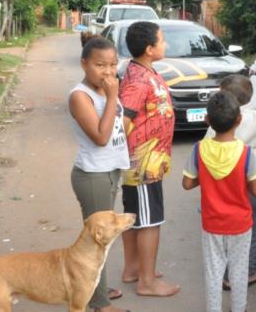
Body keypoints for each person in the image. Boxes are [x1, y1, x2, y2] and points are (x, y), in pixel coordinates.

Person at [206, 60, 256, 290]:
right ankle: (248, 272)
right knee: (251, 230)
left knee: (224, 230)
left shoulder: (216, 123)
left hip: (222, 183)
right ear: (249, 97)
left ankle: (223, 274)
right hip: (253, 181)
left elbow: (205, 152)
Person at [183, 91, 256, 312]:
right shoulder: (247, 153)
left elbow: (187, 184)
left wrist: (207, 175)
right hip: (240, 224)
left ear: (207, 120)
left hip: (212, 223)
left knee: (213, 270)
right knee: (238, 270)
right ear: (239, 120)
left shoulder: (199, 149)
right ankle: (239, 308)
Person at [67, 36, 130, 312]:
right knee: (97, 240)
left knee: (103, 238)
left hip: (110, 172)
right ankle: (100, 304)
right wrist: (114, 95)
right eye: (100, 65)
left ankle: (96, 290)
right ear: (84, 64)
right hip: (93, 176)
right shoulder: (80, 96)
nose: (108, 71)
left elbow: (117, 128)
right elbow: (101, 137)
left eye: (113, 64)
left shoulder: (105, 91)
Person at [117, 21, 180, 298]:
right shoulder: (140, 80)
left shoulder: (143, 70)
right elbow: (123, 120)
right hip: (142, 166)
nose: (166, 45)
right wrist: (125, 157)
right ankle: (146, 282)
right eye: (162, 40)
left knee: (135, 218)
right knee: (149, 221)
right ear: (149, 49)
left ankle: (133, 268)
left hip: (148, 163)